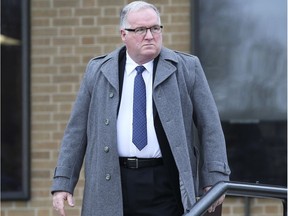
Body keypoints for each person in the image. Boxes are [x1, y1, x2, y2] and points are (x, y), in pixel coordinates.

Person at [51, 1, 231, 216]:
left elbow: (210, 126)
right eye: (140, 30)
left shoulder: (187, 68)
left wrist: (215, 177)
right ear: (123, 34)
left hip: (165, 183)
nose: (150, 35)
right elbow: (76, 131)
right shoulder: (98, 70)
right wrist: (63, 182)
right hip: (113, 182)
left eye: (155, 28)